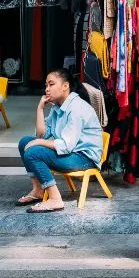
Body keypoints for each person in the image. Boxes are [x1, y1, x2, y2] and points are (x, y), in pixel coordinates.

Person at [16, 69, 103, 213]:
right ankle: (38, 190)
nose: (47, 89)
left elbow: (66, 145)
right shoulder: (58, 107)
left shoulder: (76, 108)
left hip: (84, 158)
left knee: (34, 151)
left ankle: (55, 198)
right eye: (46, 85)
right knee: (24, 142)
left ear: (65, 86)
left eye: (51, 84)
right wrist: (40, 108)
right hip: (71, 154)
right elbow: (41, 135)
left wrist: (39, 143)